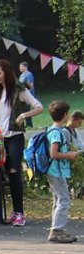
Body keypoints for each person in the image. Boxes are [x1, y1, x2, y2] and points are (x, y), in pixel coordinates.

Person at [0, 59, 43, 226]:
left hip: (15, 136)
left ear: (6, 72)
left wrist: (23, 116)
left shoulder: (19, 90)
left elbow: (38, 106)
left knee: (14, 171)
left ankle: (19, 212)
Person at [45, 101, 81, 243]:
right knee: (64, 199)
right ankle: (56, 230)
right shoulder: (56, 133)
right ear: (65, 115)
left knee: (59, 199)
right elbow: (54, 154)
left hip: (57, 171)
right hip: (56, 171)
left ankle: (59, 228)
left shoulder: (55, 130)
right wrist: (70, 155)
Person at [18, 61, 35, 128]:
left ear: (25, 67)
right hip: (21, 95)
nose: (19, 68)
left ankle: (29, 124)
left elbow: (30, 85)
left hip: (28, 95)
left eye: (21, 66)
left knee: (26, 109)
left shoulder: (29, 74)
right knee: (22, 109)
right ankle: (24, 123)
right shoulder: (21, 75)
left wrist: (29, 95)